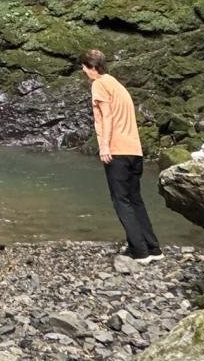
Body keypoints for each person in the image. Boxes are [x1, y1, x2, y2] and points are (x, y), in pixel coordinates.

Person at [78, 49, 163, 263]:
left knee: (121, 201)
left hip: (118, 151)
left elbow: (106, 117)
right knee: (135, 200)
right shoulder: (118, 85)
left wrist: (105, 146)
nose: (84, 71)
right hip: (135, 150)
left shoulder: (99, 84)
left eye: (85, 67)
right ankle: (153, 248)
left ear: (92, 67)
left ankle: (139, 251)